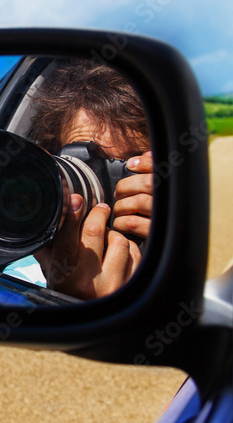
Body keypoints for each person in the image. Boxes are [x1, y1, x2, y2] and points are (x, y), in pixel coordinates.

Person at [24, 60, 153, 300]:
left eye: (129, 165)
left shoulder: (179, 230)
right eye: (80, 161)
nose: (103, 185)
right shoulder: (21, 277)